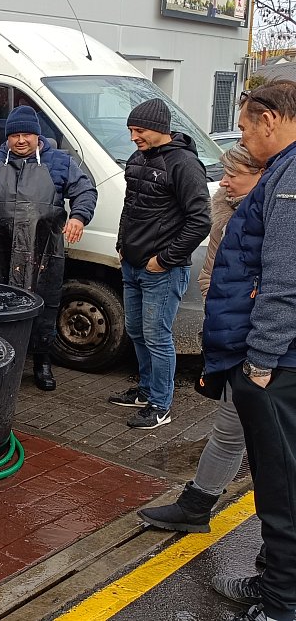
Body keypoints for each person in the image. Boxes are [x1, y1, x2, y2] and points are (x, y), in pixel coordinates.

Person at [202, 79, 296, 621]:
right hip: (278, 359)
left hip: (278, 364)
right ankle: (273, 580)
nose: (241, 138)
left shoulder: (290, 179)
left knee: (282, 489)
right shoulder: (282, 171)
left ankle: (282, 604)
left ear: (269, 120)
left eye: (243, 127)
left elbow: (284, 278)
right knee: (276, 481)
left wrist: (260, 360)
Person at [137, 144, 263, 534]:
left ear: (262, 176)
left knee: (260, 438)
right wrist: (217, 306)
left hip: (264, 347)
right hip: (236, 340)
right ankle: (196, 506)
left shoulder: (276, 219)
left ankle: (274, 543)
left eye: (234, 174)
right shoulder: (225, 212)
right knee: (229, 429)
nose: (223, 182)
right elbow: (211, 272)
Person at [0, 105, 97, 390]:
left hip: (42, 252)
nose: (21, 140)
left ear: (37, 136)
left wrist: (79, 217)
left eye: (26, 135)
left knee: (44, 306)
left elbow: (86, 191)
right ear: (7, 138)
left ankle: (42, 362)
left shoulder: (60, 162)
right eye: (14, 135)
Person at [110, 98, 211, 429]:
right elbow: (130, 206)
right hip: (132, 263)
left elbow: (200, 220)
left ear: (159, 128)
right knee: (136, 330)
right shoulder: (137, 159)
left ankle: (160, 406)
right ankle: (145, 391)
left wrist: (164, 260)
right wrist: (122, 244)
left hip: (162, 271)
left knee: (157, 335)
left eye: (139, 130)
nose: (133, 137)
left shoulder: (184, 164)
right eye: (130, 130)